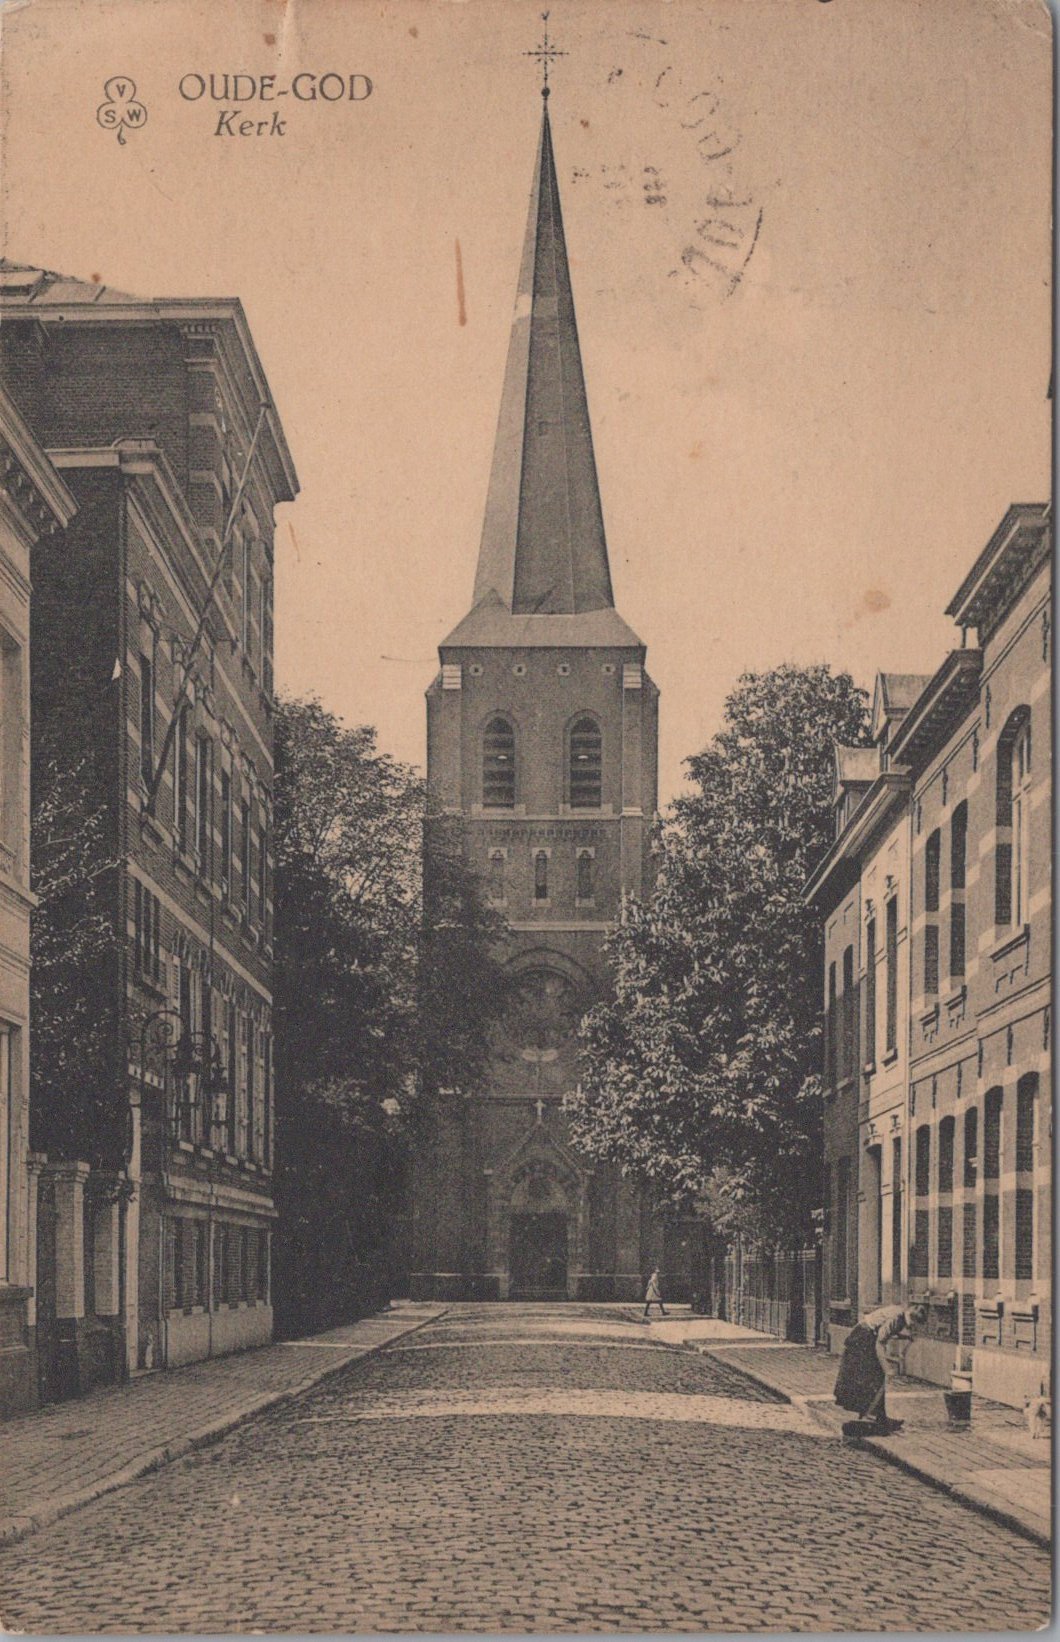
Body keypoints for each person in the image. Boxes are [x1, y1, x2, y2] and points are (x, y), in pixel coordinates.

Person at [834, 1301, 928, 1433]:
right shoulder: (896, 1319)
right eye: (914, 1326)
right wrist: (886, 1368)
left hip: (867, 1336)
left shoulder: (901, 1314)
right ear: (912, 1319)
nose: (913, 1328)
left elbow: (885, 1330)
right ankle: (871, 1416)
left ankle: (878, 1416)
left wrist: (904, 1336)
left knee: (874, 1378)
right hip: (862, 1339)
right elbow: (880, 1343)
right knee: (871, 1376)